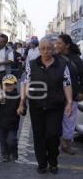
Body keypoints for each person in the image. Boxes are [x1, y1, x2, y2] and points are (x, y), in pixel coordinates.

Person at [18, 36, 72, 174]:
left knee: (53, 135)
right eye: (43, 48)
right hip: (37, 106)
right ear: (39, 50)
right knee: (39, 135)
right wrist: (22, 102)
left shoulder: (62, 64)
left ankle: (53, 161)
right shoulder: (32, 64)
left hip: (55, 106)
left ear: (53, 49)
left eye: (49, 48)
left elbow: (67, 84)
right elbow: (26, 83)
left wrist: (69, 102)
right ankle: (42, 163)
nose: (46, 51)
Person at [55, 34, 83, 155]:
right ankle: (54, 143)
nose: (57, 45)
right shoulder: (54, 58)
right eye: (56, 43)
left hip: (72, 95)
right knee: (55, 120)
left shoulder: (77, 59)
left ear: (67, 45)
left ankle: (66, 144)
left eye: (59, 43)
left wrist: (81, 92)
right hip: (56, 95)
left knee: (69, 122)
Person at [0, 74, 24, 162]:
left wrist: (21, 110)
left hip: (12, 123)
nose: (9, 86)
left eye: (11, 84)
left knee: (11, 140)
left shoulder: (18, 96)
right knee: (2, 140)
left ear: (15, 84)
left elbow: (23, 109)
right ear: (3, 85)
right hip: (1, 122)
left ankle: (14, 151)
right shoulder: (1, 94)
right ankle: (5, 154)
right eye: (6, 84)